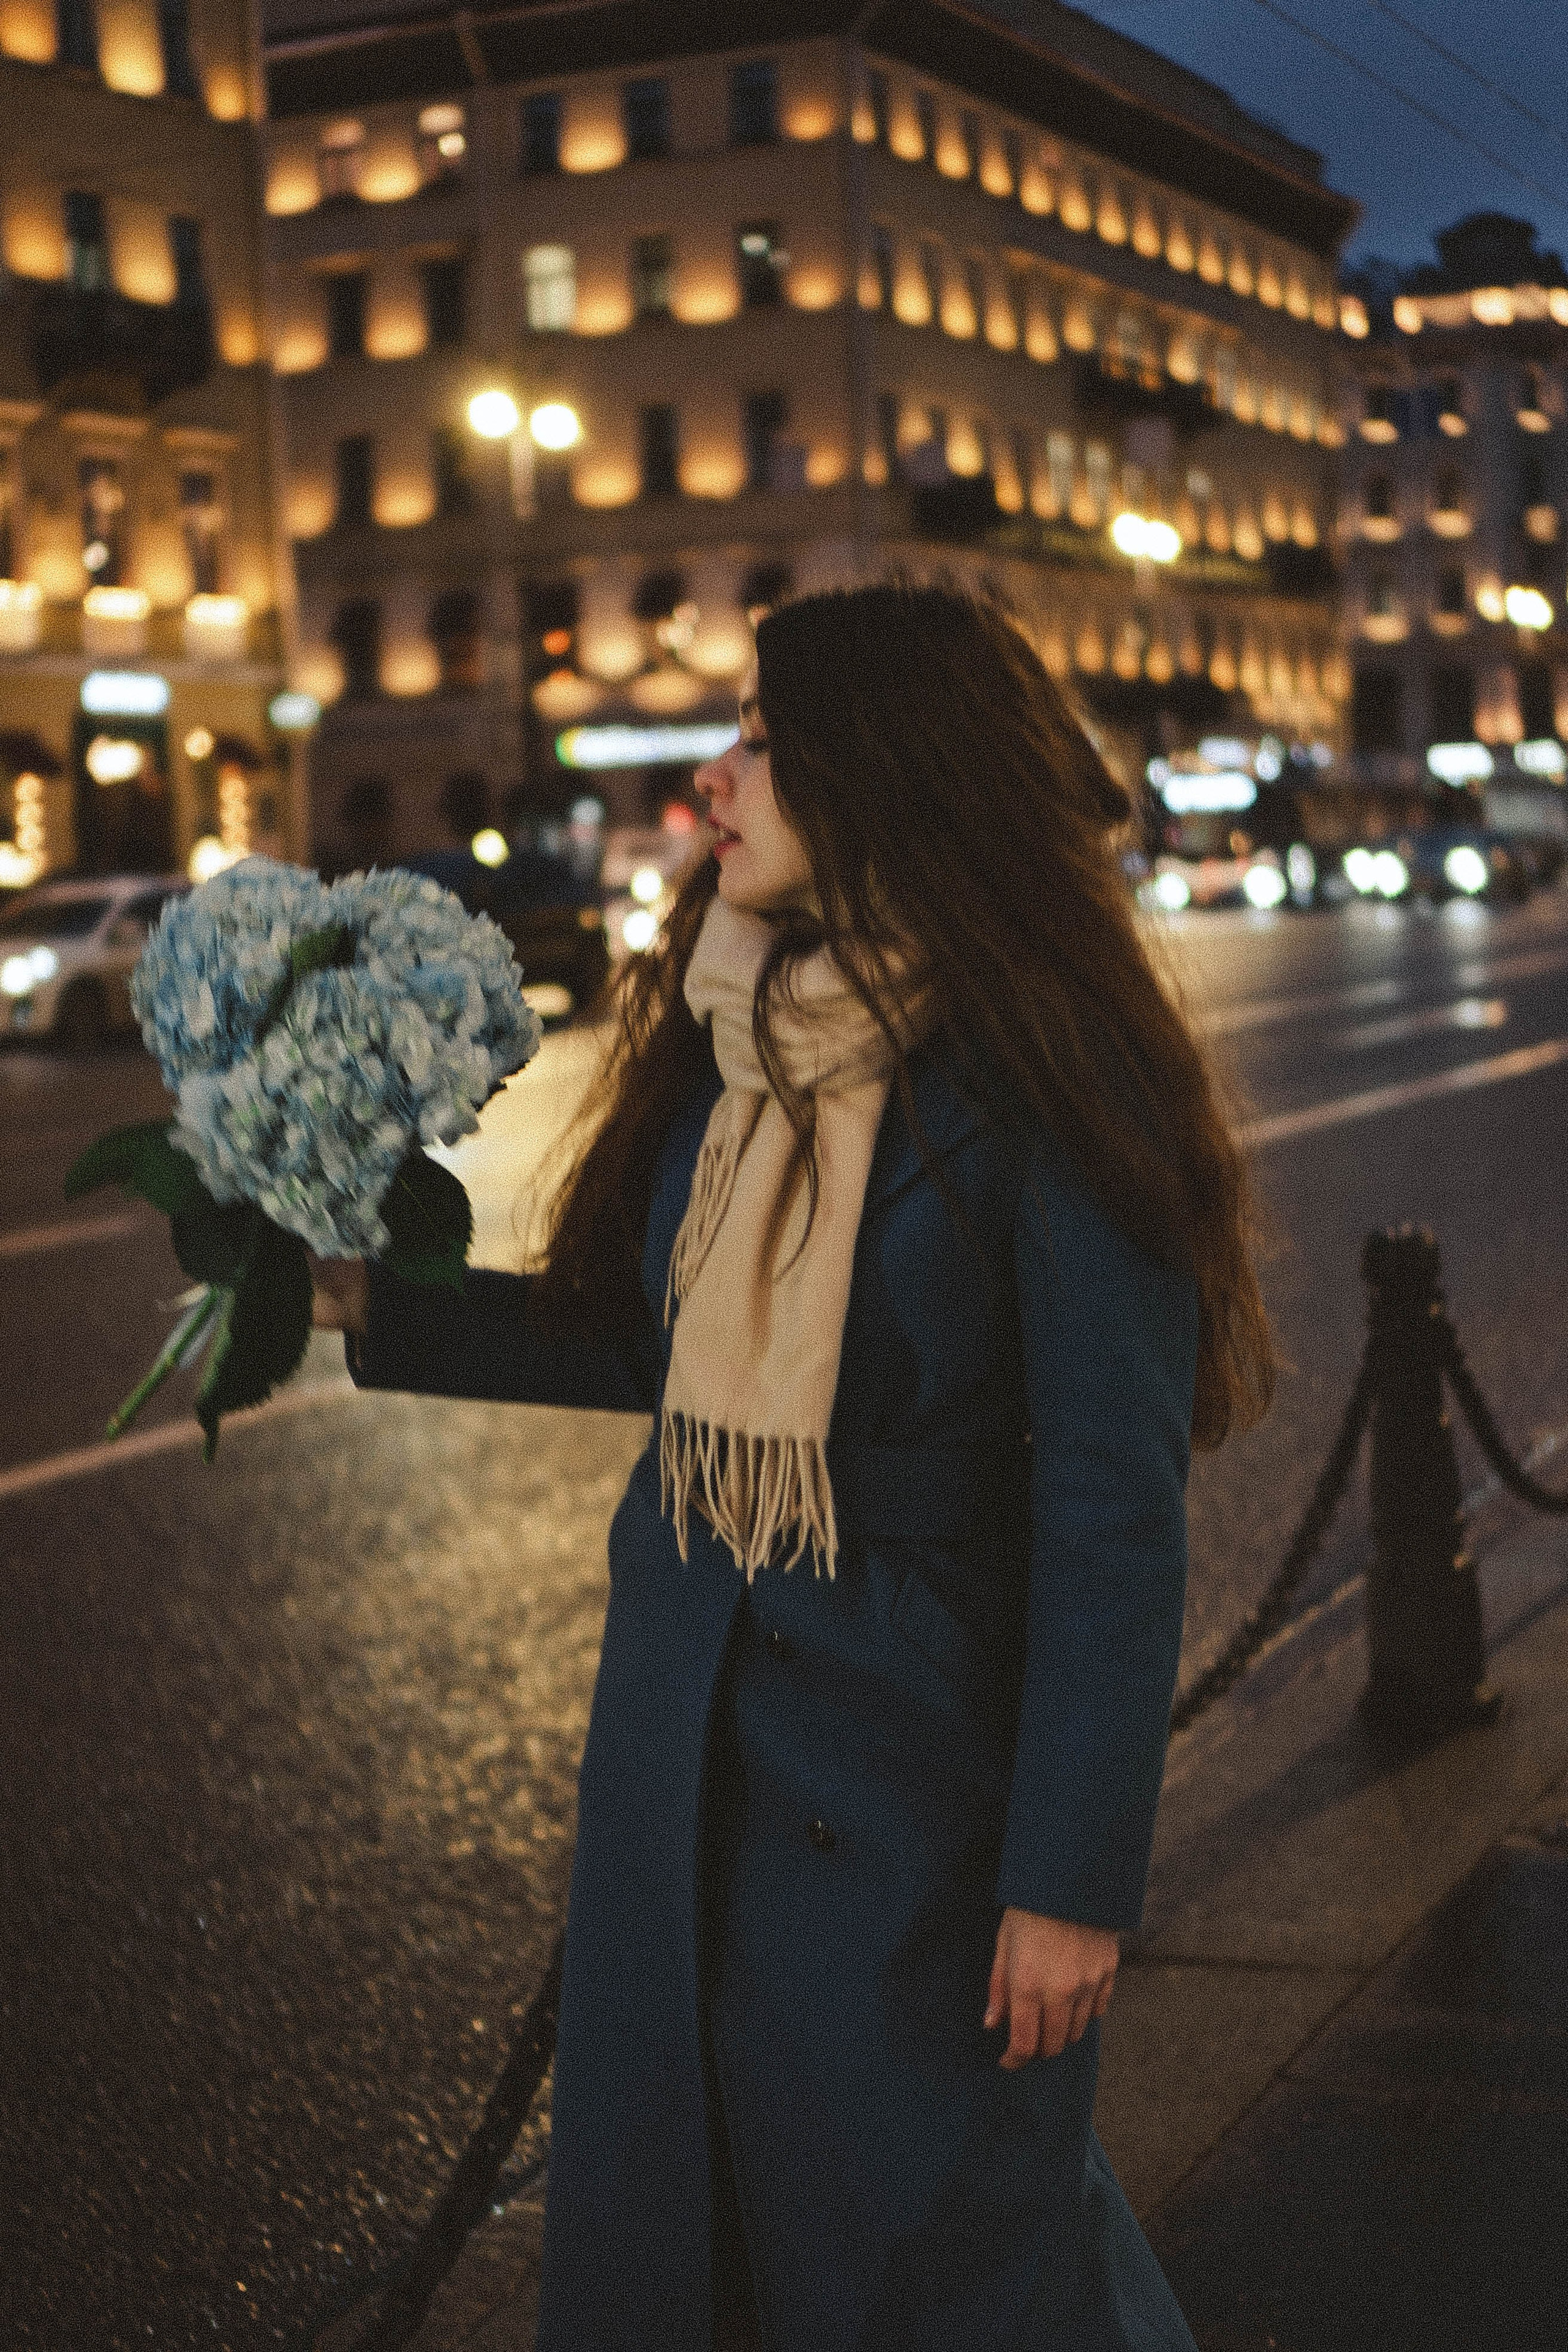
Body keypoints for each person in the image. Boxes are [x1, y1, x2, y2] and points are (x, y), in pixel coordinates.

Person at [311, 579, 1275, 2351]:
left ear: (889, 770)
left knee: (935, 2263)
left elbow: (1112, 1509)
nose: (715, 780)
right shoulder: (738, 1027)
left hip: (914, 1782)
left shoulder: (1053, 1070)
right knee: (695, 2246)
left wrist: (1070, 1880)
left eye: (761, 742)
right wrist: (382, 1294)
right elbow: (664, 1351)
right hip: (687, 1747)